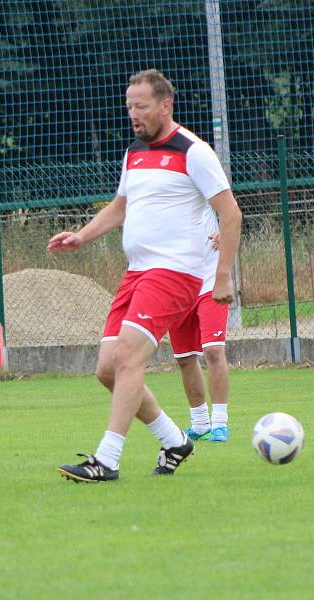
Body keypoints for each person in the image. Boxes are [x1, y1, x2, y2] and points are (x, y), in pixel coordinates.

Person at [48, 69, 242, 482]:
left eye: (141, 106)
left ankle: (107, 459)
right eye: (129, 107)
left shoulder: (194, 151)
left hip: (174, 273)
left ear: (165, 106)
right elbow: (121, 206)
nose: (133, 114)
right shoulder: (135, 152)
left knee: (127, 357)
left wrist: (222, 276)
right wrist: (82, 236)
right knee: (107, 369)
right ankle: (174, 440)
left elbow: (231, 213)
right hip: (136, 273)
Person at [168, 223, 233, 443]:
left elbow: (231, 210)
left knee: (213, 351)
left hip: (210, 282)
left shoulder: (205, 187)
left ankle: (220, 424)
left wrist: (225, 230)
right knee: (184, 358)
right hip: (176, 286)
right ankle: (200, 424)